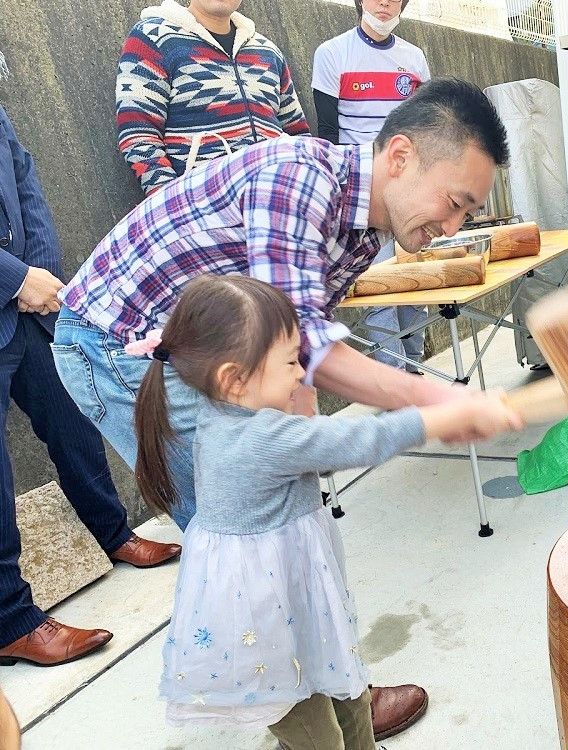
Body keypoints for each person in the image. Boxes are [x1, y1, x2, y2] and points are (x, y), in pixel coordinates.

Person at [52, 77, 505, 734]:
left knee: (298, 533)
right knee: (250, 553)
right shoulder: (300, 178)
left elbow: (290, 357)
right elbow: (307, 346)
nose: (453, 227)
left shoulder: (361, 229)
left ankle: (337, 689)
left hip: (206, 359)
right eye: (455, 202)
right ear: (399, 156)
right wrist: (439, 399)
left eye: (468, 214)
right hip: (119, 345)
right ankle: (308, 720)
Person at [133, 275, 520, 749]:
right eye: (293, 361)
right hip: (271, 634)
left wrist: (299, 399)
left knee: (351, 697)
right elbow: (357, 440)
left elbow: (306, 433)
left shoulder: (227, 413)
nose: (303, 371)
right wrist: (446, 415)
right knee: (317, 735)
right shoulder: (257, 439)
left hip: (294, 606)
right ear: (234, 379)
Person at [0, 99, 180, 667]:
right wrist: (13, 277)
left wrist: (37, 271)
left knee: (73, 420)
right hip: (14, 287)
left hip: (28, 305)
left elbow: (24, 179)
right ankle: (11, 621)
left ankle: (113, 533)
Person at [313, 0, 431, 373]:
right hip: (362, 193)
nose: (384, 2)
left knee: (418, 288)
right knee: (380, 291)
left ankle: (413, 370)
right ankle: (393, 383)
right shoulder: (332, 53)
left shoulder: (414, 58)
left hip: (412, 191)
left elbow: (428, 129)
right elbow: (328, 135)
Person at [116, 0, 310, 195]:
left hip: (280, 199)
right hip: (202, 207)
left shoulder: (268, 51)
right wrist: (174, 204)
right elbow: (139, 136)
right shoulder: (153, 38)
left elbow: (298, 133)